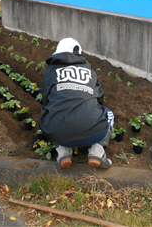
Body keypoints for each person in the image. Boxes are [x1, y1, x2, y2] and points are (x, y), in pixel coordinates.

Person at [39, 38, 114, 169]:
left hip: (58, 132)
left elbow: (45, 99)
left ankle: (63, 152)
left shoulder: (51, 70)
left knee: (51, 115)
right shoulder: (89, 70)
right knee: (109, 114)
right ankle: (97, 150)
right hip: (93, 131)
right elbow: (99, 97)